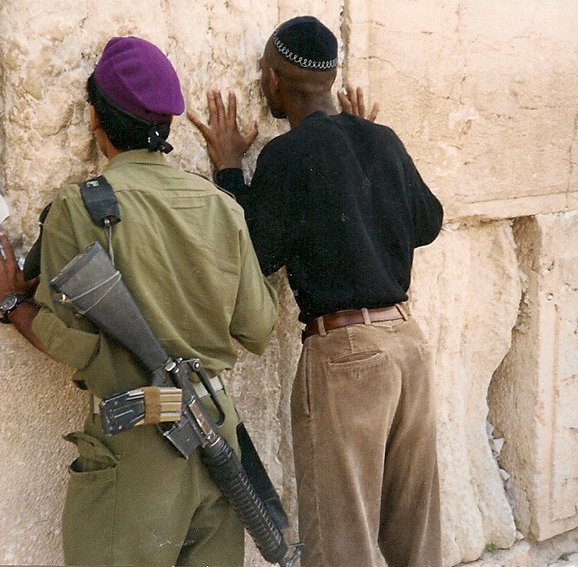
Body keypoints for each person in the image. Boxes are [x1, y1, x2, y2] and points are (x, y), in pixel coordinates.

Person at [0, 36, 279, 566]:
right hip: (215, 439)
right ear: (168, 126)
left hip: (137, 454)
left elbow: (75, 344)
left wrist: (10, 304)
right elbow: (258, 327)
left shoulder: (77, 208)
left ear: (94, 118)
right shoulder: (222, 207)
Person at [188, 15, 444, 567]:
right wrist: (369, 149)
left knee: (340, 540)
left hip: (347, 356)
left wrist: (230, 169)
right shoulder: (382, 139)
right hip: (408, 347)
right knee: (416, 539)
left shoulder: (286, 156)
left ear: (274, 82)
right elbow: (427, 222)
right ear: (331, 81)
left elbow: (255, 254)